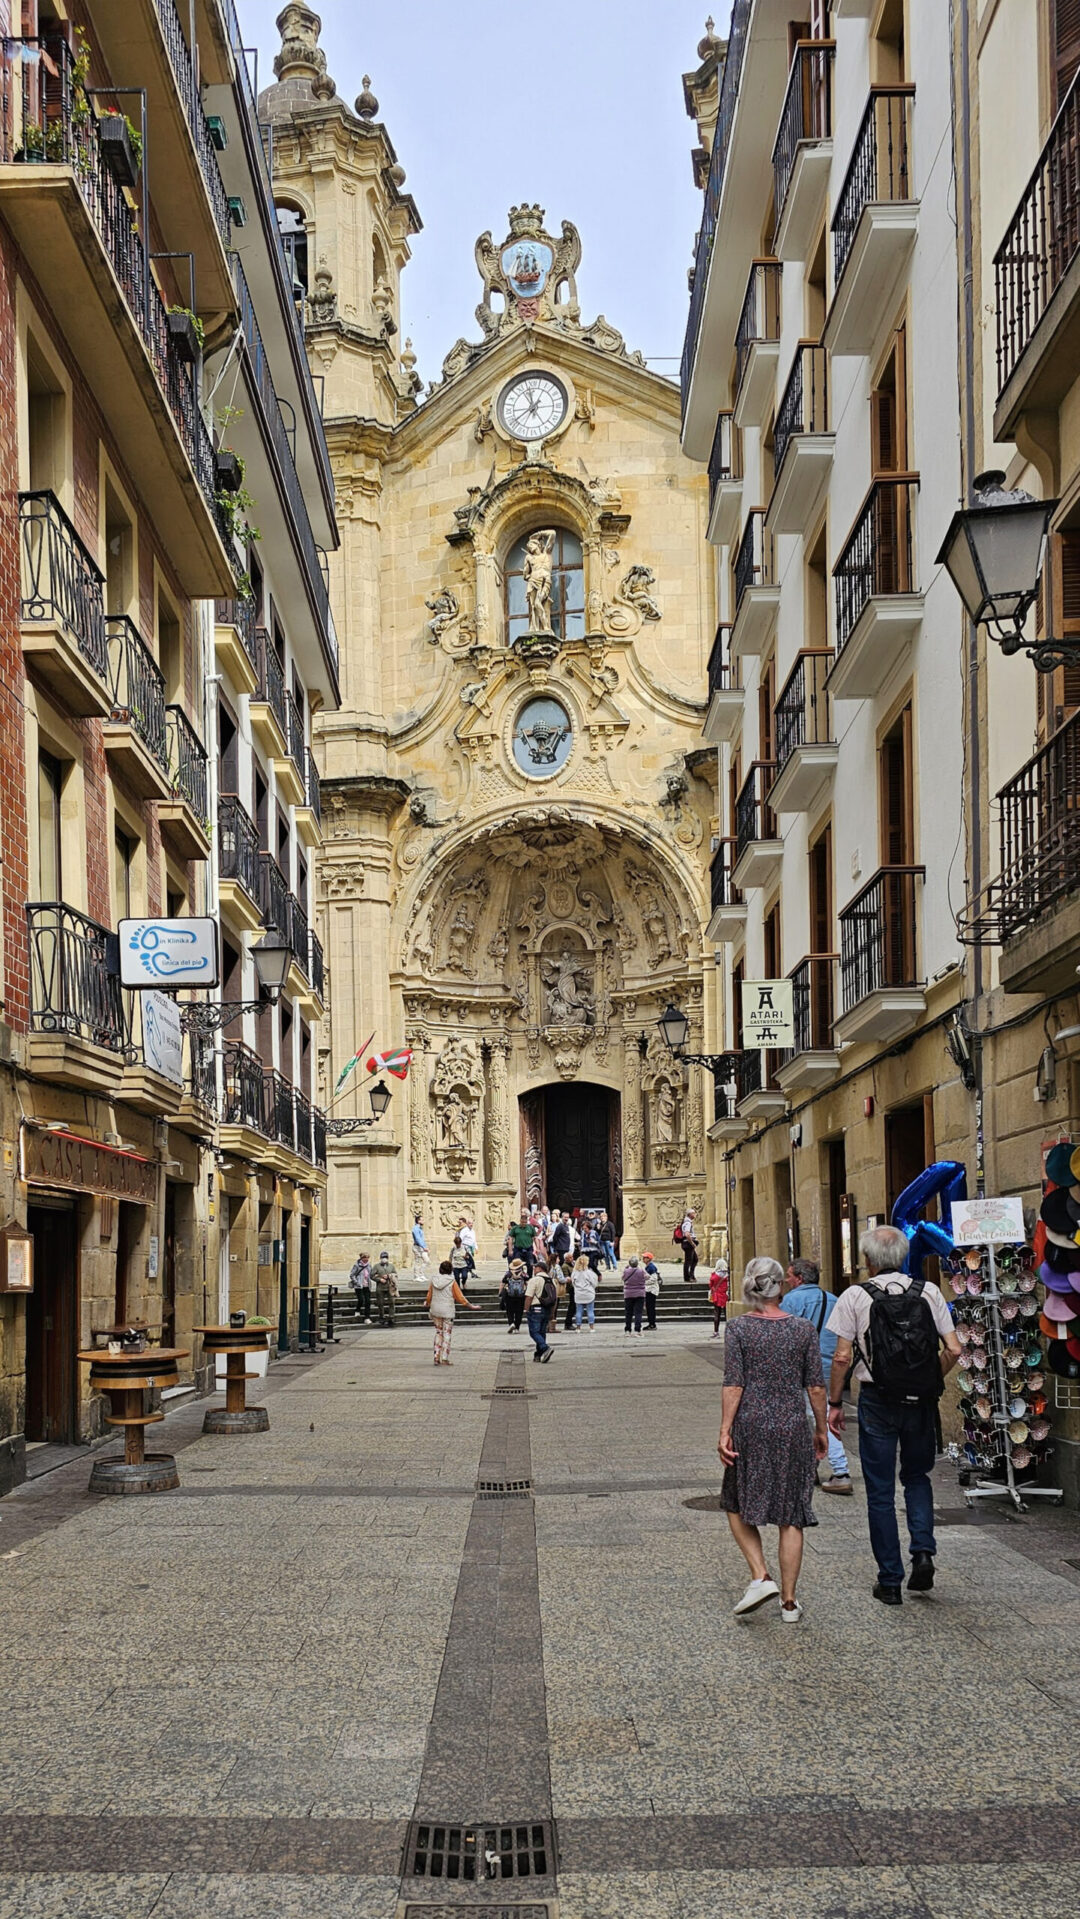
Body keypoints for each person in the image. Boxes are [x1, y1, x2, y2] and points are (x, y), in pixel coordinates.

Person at [826, 1224, 961, 1606]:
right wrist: (929, 1379)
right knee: (917, 1477)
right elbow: (954, 1349)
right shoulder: (929, 1291)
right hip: (920, 1401)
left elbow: (841, 1357)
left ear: (868, 1260)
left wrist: (835, 1403)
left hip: (877, 1399)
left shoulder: (855, 1295)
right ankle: (923, 1552)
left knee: (881, 1491)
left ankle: (889, 1581)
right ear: (903, 1256)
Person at [718, 1257, 827, 1623]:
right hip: (792, 1425)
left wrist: (724, 1430)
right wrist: (821, 1429)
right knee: (791, 1512)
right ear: (782, 1285)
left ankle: (761, 1575)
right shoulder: (803, 1329)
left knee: (735, 1501)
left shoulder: (738, 1328)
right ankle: (790, 1603)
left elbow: (734, 1383)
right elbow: (815, 1386)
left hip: (750, 1425)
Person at [782, 1257, 854, 1497]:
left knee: (817, 1417)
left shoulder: (791, 1301)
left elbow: (785, 1338)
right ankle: (809, 1468)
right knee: (813, 1416)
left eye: (789, 1276)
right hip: (830, 1368)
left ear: (799, 1278)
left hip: (804, 1369)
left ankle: (841, 1471)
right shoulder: (833, 1299)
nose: (787, 1280)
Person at [426, 1257, 480, 1366]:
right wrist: (471, 1306)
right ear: (451, 1270)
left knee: (438, 1332)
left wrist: (427, 1303)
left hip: (435, 1309)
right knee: (447, 1333)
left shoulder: (434, 1280)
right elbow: (460, 1297)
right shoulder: (452, 1281)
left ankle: (436, 1356)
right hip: (447, 1310)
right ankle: (444, 1358)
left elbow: (429, 1295)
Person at [525, 1260, 556, 1362]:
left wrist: (526, 1309)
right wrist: (552, 1313)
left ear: (540, 1269)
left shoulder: (534, 1280)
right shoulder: (552, 1281)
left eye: (535, 1267)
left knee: (534, 1332)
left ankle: (545, 1348)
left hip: (536, 1308)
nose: (533, 1269)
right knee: (542, 1332)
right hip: (547, 1308)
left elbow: (529, 1296)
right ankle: (538, 1355)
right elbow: (554, 1299)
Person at [371, 1250, 398, 1328]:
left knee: (391, 1302)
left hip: (390, 1286)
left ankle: (391, 1317)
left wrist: (389, 1276)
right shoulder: (376, 1266)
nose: (384, 1259)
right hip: (380, 1287)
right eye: (383, 1257)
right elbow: (372, 1275)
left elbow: (395, 1274)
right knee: (380, 1303)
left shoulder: (391, 1266)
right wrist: (379, 1279)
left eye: (385, 1257)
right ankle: (381, 1317)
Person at [500, 1257, 528, 1332]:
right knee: (519, 1311)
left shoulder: (508, 1274)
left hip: (509, 1295)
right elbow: (527, 1283)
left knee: (510, 1311)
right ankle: (517, 1327)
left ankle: (511, 1323)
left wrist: (500, 1293)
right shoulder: (524, 1274)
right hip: (521, 1296)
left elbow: (502, 1283)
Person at [622, 1254, 646, 1335]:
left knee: (628, 1313)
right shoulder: (641, 1271)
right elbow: (648, 1277)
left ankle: (627, 1330)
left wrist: (626, 1269)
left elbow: (623, 1278)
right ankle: (637, 1330)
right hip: (640, 1293)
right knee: (638, 1313)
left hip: (628, 1294)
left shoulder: (626, 1271)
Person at [572, 1253, 596, 1329]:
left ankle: (578, 1327)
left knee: (579, 1311)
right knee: (590, 1311)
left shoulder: (574, 1273)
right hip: (588, 1293)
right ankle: (591, 1327)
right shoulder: (589, 1273)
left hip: (579, 1294)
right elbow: (594, 1283)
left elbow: (573, 1283)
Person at [348, 1251, 372, 1323]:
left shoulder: (369, 1265)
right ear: (361, 1258)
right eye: (365, 1258)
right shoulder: (357, 1265)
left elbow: (371, 1274)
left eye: (367, 1258)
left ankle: (367, 1317)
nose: (366, 1259)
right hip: (359, 1286)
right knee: (361, 1299)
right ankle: (357, 1310)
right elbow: (352, 1275)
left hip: (367, 1285)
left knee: (368, 1301)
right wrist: (356, 1282)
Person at [709, 1260, 729, 1336]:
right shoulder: (727, 1275)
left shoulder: (714, 1275)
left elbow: (711, 1285)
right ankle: (729, 1331)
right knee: (727, 1314)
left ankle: (716, 1331)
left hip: (717, 1296)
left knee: (717, 1313)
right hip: (725, 1295)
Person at [678, 1209, 699, 1282]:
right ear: (690, 1214)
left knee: (694, 1259)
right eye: (694, 1213)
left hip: (687, 1243)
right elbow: (687, 1234)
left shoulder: (686, 1222)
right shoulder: (688, 1223)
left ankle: (691, 1275)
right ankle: (687, 1277)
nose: (695, 1214)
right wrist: (692, 1243)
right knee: (688, 1261)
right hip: (688, 1243)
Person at [642, 1251, 661, 1331]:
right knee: (649, 1307)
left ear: (648, 1259)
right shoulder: (648, 1267)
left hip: (651, 1290)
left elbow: (653, 1279)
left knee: (650, 1308)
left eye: (645, 1257)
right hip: (649, 1289)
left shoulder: (651, 1267)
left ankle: (652, 1324)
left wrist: (643, 1282)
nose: (643, 1259)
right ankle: (651, 1323)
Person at [411, 1213, 429, 1282]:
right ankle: (416, 1276)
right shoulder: (415, 1229)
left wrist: (425, 1246)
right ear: (418, 1221)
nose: (423, 1221)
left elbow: (422, 1239)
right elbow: (418, 1239)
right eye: (422, 1220)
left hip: (421, 1247)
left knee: (426, 1260)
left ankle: (421, 1274)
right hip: (417, 1247)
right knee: (418, 1261)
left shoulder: (420, 1228)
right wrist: (424, 1246)